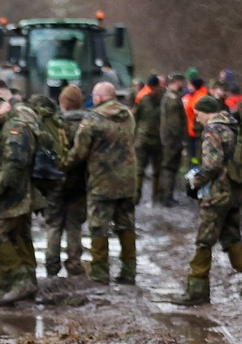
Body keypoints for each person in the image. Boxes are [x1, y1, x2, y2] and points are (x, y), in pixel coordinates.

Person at [174, 95, 242, 305]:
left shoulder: (212, 130)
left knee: (204, 240)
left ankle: (197, 290)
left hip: (217, 193)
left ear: (206, 112)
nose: (196, 119)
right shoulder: (232, 127)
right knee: (231, 238)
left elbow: (212, 164)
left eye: (197, 115)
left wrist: (195, 181)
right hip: (235, 192)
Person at [66, 81, 138, 285]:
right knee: (126, 225)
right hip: (127, 180)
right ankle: (129, 271)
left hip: (102, 180)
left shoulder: (92, 120)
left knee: (99, 226)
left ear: (98, 98)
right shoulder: (128, 115)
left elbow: (80, 152)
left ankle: (100, 271)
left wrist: (61, 165)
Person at [0, 85, 44, 306]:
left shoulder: (14, 126)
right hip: (19, 192)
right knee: (19, 236)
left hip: (13, 194)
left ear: (8, 104)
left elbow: (14, 163)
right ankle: (8, 288)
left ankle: (20, 280)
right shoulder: (9, 124)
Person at [45, 85, 88, 277]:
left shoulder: (55, 124)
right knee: (74, 225)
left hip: (56, 182)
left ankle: (51, 263)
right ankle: (74, 262)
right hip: (80, 183)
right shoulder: (88, 123)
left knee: (54, 224)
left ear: (63, 103)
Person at [133, 75, 164, 205]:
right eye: (151, 88)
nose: (152, 91)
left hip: (158, 140)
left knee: (157, 170)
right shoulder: (143, 99)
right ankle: (136, 196)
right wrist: (133, 136)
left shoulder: (163, 99)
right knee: (139, 169)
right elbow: (135, 117)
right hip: (143, 139)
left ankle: (155, 197)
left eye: (154, 88)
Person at [159, 72, 188, 206]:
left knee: (169, 167)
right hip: (172, 140)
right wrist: (181, 140)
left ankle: (166, 195)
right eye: (180, 82)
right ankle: (166, 196)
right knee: (169, 167)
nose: (182, 84)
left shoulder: (171, 96)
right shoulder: (172, 99)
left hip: (170, 139)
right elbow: (174, 123)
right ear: (176, 82)